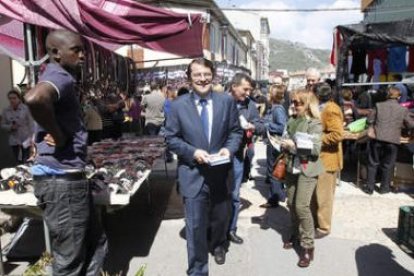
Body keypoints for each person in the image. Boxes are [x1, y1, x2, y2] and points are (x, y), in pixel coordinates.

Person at [24, 29, 107, 275]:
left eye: (82, 50)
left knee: (95, 244)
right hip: (61, 183)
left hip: (68, 178)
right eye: (76, 50)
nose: (82, 55)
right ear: (56, 53)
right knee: (70, 261)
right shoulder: (59, 76)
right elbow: (35, 98)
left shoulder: (60, 76)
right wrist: (58, 135)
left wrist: (75, 147)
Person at [165, 58, 242, 275]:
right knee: (196, 226)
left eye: (206, 74)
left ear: (213, 75)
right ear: (189, 78)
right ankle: (198, 270)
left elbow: (235, 132)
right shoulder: (178, 105)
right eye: (197, 74)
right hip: (193, 175)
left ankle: (218, 245)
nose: (202, 79)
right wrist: (193, 152)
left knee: (220, 218)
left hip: (220, 173)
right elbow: (171, 138)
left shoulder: (226, 101)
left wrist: (229, 149)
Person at [281, 89, 323, 268]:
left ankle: (308, 246)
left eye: (298, 102)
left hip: (307, 169)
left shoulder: (315, 123)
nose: (294, 105)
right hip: (291, 167)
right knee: (291, 203)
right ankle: (295, 234)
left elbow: (315, 150)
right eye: (293, 102)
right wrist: (281, 143)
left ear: (307, 104)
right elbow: (286, 138)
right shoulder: (291, 120)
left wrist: (294, 145)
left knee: (301, 206)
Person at [228, 73, 265, 244]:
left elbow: (261, 125)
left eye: (250, 89)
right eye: (245, 89)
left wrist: (253, 126)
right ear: (234, 86)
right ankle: (216, 228)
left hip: (237, 156)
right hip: (217, 154)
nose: (248, 93)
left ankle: (231, 229)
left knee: (235, 194)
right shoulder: (221, 100)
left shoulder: (250, 104)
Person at [363, 87, 414, 194]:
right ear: (399, 97)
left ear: (387, 95)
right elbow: (411, 124)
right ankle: (384, 188)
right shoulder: (403, 110)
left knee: (373, 163)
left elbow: (369, 120)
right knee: (388, 165)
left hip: (377, 138)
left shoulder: (378, 105)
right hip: (392, 141)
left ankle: (369, 188)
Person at [314, 84, 344, 239]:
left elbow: (337, 134)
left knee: (324, 196)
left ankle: (324, 227)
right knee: (317, 194)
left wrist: (317, 140)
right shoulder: (321, 107)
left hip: (328, 159)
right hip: (320, 157)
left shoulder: (331, 109)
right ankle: (316, 222)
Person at [260, 84, 288, 208]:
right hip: (272, 142)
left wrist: (267, 126)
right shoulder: (274, 108)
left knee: (273, 170)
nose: (266, 95)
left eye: (269, 92)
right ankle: (277, 195)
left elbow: (281, 127)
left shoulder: (277, 109)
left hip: (275, 142)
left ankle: (275, 198)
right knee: (274, 170)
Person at [1, 90, 34, 163]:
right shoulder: (6, 111)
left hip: (25, 138)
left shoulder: (26, 109)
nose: (12, 100)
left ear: (19, 98)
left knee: (26, 159)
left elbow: (31, 124)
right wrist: (10, 127)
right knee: (15, 160)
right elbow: (2, 125)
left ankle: (25, 172)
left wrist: (32, 138)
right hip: (13, 140)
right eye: (10, 98)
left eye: (14, 98)